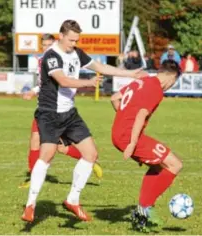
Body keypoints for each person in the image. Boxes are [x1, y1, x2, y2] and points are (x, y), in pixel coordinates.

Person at [21, 19, 146, 223]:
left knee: (90, 153)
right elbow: (63, 80)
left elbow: (100, 66)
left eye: (76, 40)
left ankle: (72, 199)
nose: (73, 44)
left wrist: (129, 74)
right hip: (49, 113)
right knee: (47, 153)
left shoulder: (76, 52)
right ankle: (30, 205)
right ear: (60, 36)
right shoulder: (51, 56)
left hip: (69, 113)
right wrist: (88, 82)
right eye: (71, 40)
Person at [19, 33, 103, 189]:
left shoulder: (58, 58)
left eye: (48, 45)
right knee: (42, 143)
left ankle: (89, 160)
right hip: (46, 108)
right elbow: (45, 83)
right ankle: (33, 177)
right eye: (44, 45)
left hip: (56, 110)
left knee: (51, 145)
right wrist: (35, 90)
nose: (46, 48)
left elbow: (60, 82)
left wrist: (34, 90)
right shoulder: (43, 60)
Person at [110, 60, 183, 232]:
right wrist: (132, 144)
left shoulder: (142, 81)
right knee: (175, 164)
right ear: (171, 77)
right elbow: (141, 115)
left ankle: (143, 210)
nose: (171, 86)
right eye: (174, 82)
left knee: (158, 166)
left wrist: (124, 118)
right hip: (129, 137)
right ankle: (144, 208)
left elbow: (114, 98)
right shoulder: (156, 89)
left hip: (119, 133)